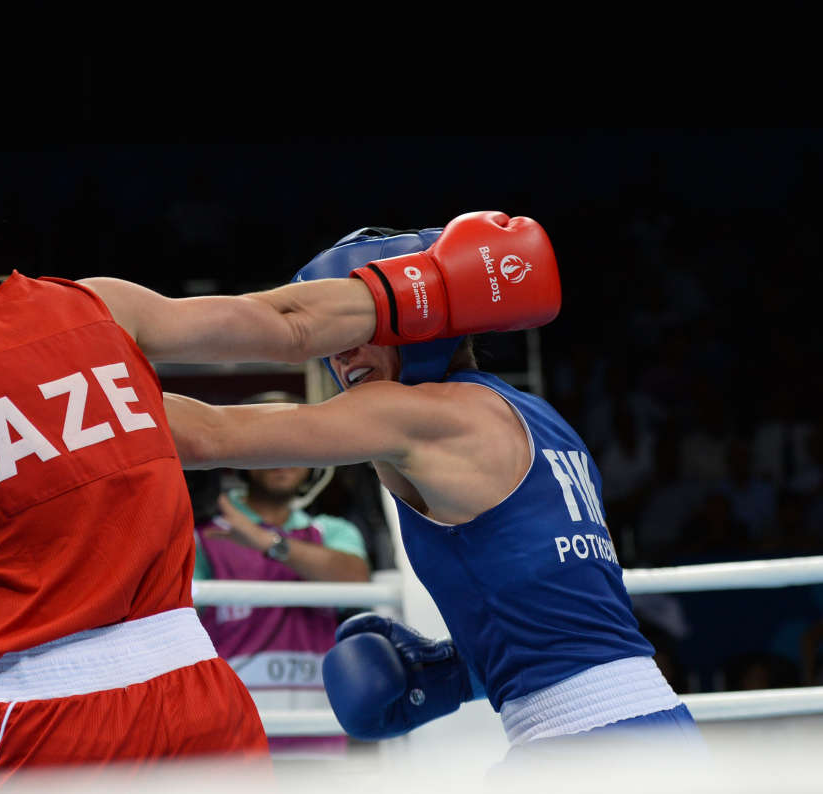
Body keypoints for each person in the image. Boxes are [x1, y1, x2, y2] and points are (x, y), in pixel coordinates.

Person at [0, 131, 556, 786]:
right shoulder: (97, 303)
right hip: (197, 695)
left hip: (41, 719)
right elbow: (287, 324)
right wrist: (439, 284)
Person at [164, 226, 704, 760]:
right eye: (331, 341)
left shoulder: (415, 417)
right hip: (656, 724)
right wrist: (457, 670)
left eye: (360, 326)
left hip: (585, 741)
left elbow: (210, 435)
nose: (342, 355)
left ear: (421, 313)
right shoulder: (543, 420)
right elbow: (570, 618)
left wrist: (112, 368)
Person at [193, 392, 370, 757]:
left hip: (318, 734)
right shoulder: (203, 537)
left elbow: (356, 579)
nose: (283, 455)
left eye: (296, 442)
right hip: (232, 739)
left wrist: (265, 542)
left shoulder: (332, 532)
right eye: (269, 442)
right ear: (242, 456)